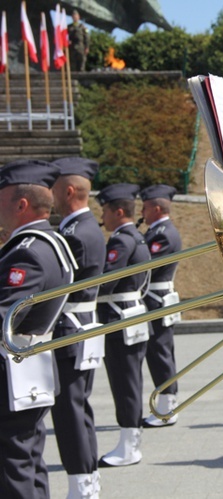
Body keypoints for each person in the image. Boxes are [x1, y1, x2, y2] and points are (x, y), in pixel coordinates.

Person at [0, 160, 76, 498]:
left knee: (12, 471)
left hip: (10, 375)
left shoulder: (27, 253)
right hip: (28, 370)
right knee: (29, 463)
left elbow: (5, 315)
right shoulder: (50, 242)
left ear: (20, 205)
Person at [50, 157, 107, 498]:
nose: (50, 195)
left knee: (69, 409)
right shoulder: (82, 228)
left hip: (70, 329)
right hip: (80, 326)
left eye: (54, 189)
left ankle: (82, 483)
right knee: (77, 407)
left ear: (68, 191)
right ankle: (87, 479)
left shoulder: (76, 233)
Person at [95, 183, 151, 467]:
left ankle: (129, 446)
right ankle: (130, 441)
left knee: (124, 383)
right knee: (131, 382)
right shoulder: (137, 237)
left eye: (104, 210)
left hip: (119, 320)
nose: (101, 216)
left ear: (118, 211)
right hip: (132, 316)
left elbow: (105, 282)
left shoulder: (121, 241)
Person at [138, 184, 183, 428]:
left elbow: (148, 266)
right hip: (155, 298)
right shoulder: (157, 231)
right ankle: (166, 404)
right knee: (158, 352)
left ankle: (167, 407)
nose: (142, 213)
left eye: (145, 208)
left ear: (156, 208)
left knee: (160, 353)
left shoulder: (163, 233)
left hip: (156, 299)